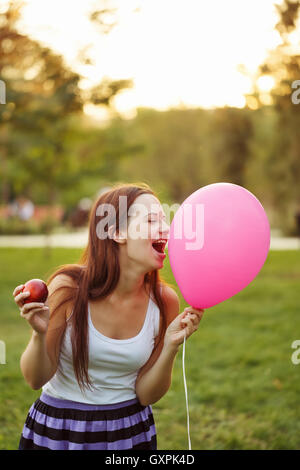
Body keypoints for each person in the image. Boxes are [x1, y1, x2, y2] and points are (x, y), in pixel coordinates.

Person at [13, 182, 204, 450]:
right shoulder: (67, 288)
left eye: (165, 220)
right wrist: (39, 332)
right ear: (116, 232)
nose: (166, 229)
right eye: (151, 220)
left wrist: (171, 347)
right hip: (60, 429)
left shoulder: (164, 301)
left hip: (128, 432)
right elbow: (35, 379)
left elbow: (147, 395)